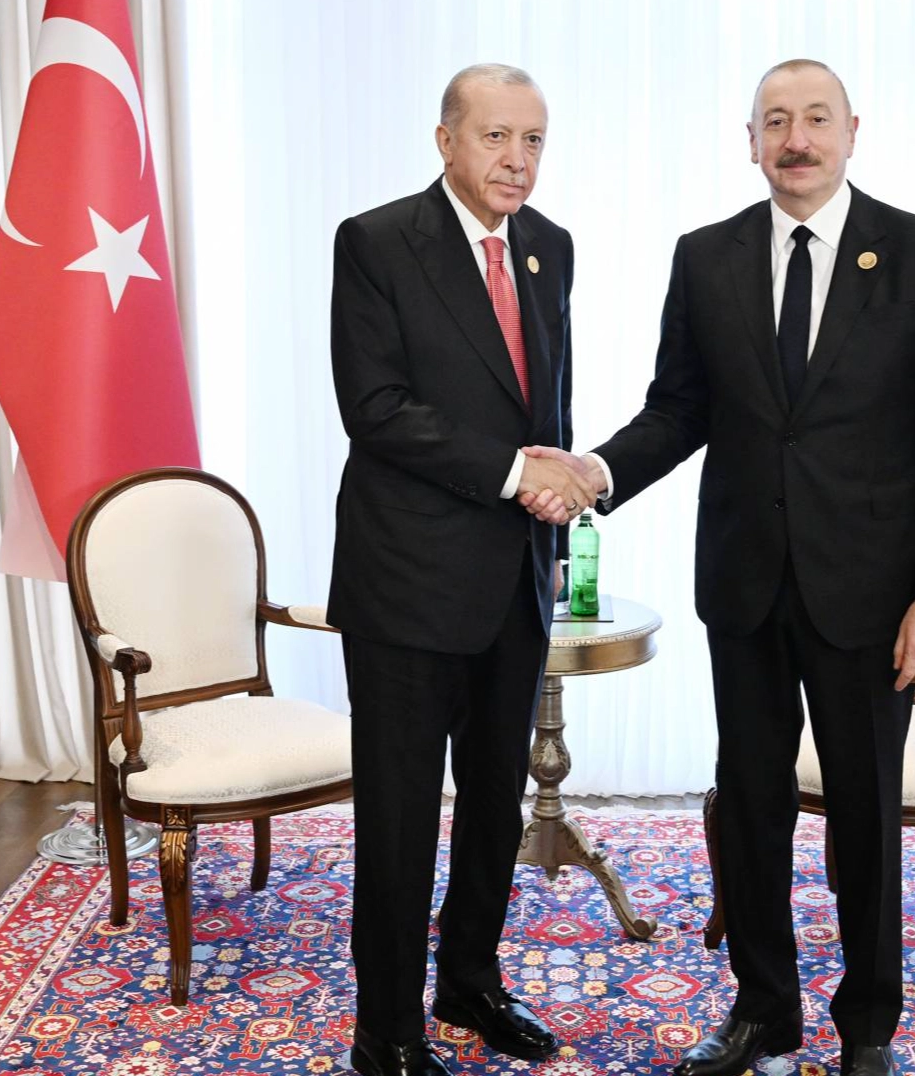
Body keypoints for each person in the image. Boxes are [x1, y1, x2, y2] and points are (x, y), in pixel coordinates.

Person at [527, 59, 915, 1076]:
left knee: (865, 812)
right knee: (749, 802)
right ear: (750, 142)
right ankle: (763, 1012)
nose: (796, 139)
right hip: (744, 584)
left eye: (815, 118)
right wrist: (596, 470)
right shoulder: (707, 257)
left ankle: (866, 1026)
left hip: (872, 593)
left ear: (852, 131)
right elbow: (677, 410)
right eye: (775, 121)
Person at [327, 63, 595, 1076]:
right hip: (407, 583)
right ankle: (387, 1031)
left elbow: (547, 404)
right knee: (400, 818)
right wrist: (519, 473)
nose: (516, 159)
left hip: (514, 580)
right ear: (446, 140)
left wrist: (555, 516)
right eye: (495, 136)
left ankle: (469, 982)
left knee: (493, 805)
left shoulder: (548, 247)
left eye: (533, 139)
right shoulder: (376, 241)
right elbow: (375, 410)